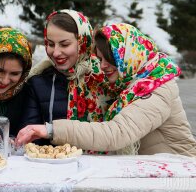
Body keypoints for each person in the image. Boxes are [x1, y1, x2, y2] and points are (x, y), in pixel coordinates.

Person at [17, 23, 196, 157]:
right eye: (100, 59)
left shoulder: (157, 88)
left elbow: (116, 133)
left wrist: (50, 130)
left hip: (179, 173)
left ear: (129, 56)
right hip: (154, 168)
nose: (102, 66)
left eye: (110, 59)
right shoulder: (130, 81)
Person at [16, 9, 110, 146]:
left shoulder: (106, 77)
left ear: (83, 42)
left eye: (65, 44)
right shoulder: (38, 82)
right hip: (56, 163)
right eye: (50, 44)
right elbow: (30, 135)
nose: (56, 52)